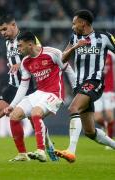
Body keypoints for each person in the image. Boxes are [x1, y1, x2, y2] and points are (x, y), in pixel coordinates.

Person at [0, 14, 58, 162]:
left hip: (29, 86)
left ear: (13, 24)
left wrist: (19, 65)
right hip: (13, 84)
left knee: (35, 122)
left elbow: (38, 55)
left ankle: (49, 146)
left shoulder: (27, 38)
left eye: (5, 29)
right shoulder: (8, 42)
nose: (2, 33)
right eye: (0, 30)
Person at [4, 31, 75, 162]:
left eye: (20, 46)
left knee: (35, 113)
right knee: (14, 116)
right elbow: (23, 86)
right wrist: (12, 105)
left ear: (30, 44)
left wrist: (77, 91)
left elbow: (69, 71)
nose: (18, 49)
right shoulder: (25, 61)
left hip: (54, 93)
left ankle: (41, 151)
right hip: (39, 93)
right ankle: (22, 154)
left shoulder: (53, 53)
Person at [55, 9, 115, 163]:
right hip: (80, 85)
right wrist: (75, 47)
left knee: (73, 108)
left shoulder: (105, 37)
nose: (73, 26)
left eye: (75, 23)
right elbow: (62, 58)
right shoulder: (74, 37)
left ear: (83, 23)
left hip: (95, 82)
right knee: (90, 131)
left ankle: (71, 151)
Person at [94, 51, 115, 149]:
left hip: (109, 90)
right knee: (97, 118)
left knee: (109, 115)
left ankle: (110, 140)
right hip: (97, 89)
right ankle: (106, 126)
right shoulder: (95, 54)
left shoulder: (111, 55)